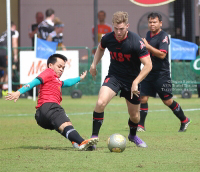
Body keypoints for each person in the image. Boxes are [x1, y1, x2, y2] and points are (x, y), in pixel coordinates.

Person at [5, 53, 99, 150]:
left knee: (62, 127)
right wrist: (19, 92)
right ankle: (82, 142)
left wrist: (79, 78)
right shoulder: (48, 72)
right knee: (66, 124)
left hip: (41, 116)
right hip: (49, 107)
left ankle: (76, 142)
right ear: (50, 65)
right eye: (59, 66)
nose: (61, 69)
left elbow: (66, 83)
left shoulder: (55, 80)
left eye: (63, 67)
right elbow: (35, 82)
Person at [89, 11, 152, 149]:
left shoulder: (136, 41)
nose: (118, 32)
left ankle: (133, 136)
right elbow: (100, 49)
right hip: (114, 77)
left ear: (127, 26)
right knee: (100, 102)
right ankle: (93, 138)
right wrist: (94, 65)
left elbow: (148, 65)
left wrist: (136, 82)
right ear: (113, 26)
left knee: (135, 116)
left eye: (121, 29)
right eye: (116, 29)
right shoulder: (107, 38)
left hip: (132, 81)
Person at [138, 12, 191, 132]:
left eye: (154, 22)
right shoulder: (148, 34)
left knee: (167, 101)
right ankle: (141, 126)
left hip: (161, 74)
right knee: (143, 98)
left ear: (160, 23)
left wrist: (147, 47)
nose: (152, 24)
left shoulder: (164, 36)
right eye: (150, 22)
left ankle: (184, 120)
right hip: (149, 72)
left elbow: (162, 55)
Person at [0, 21, 19, 90]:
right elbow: (14, 43)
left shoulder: (3, 33)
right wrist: (15, 55)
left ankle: (1, 88)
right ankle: (5, 88)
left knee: (3, 71)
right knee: (9, 70)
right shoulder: (14, 32)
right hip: (5, 53)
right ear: (14, 26)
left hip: (1, 52)